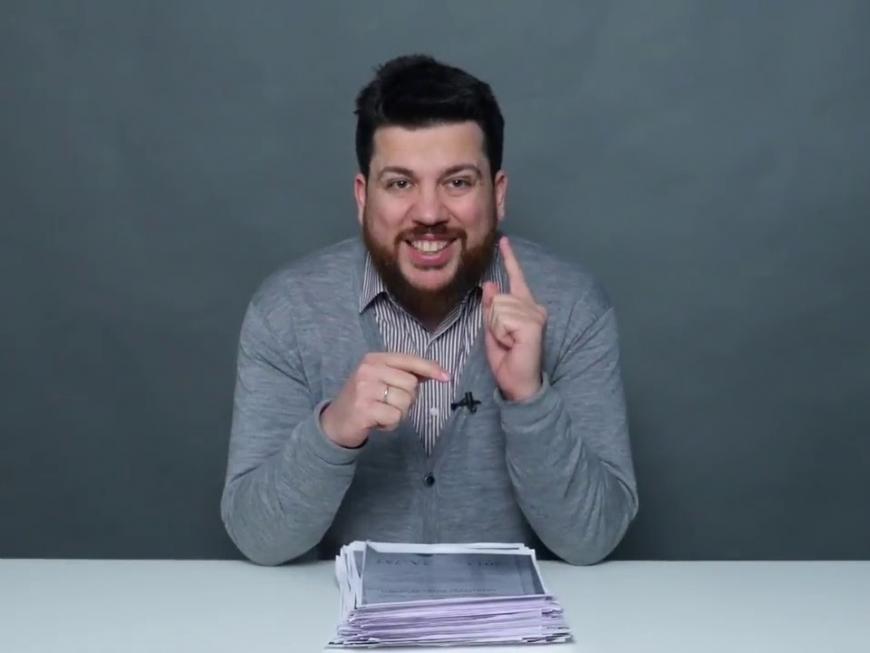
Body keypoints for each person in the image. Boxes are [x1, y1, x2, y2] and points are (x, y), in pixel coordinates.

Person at [220, 54, 638, 566]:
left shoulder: (573, 305)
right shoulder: (286, 310)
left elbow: (593, 539)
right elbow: (259, 539)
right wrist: (334, 430)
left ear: (497, 194)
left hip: (515, 618)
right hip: (339, 616)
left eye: (457, 182)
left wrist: (528, 397)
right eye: (400, 183)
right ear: (363, 197)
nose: (429, 213)